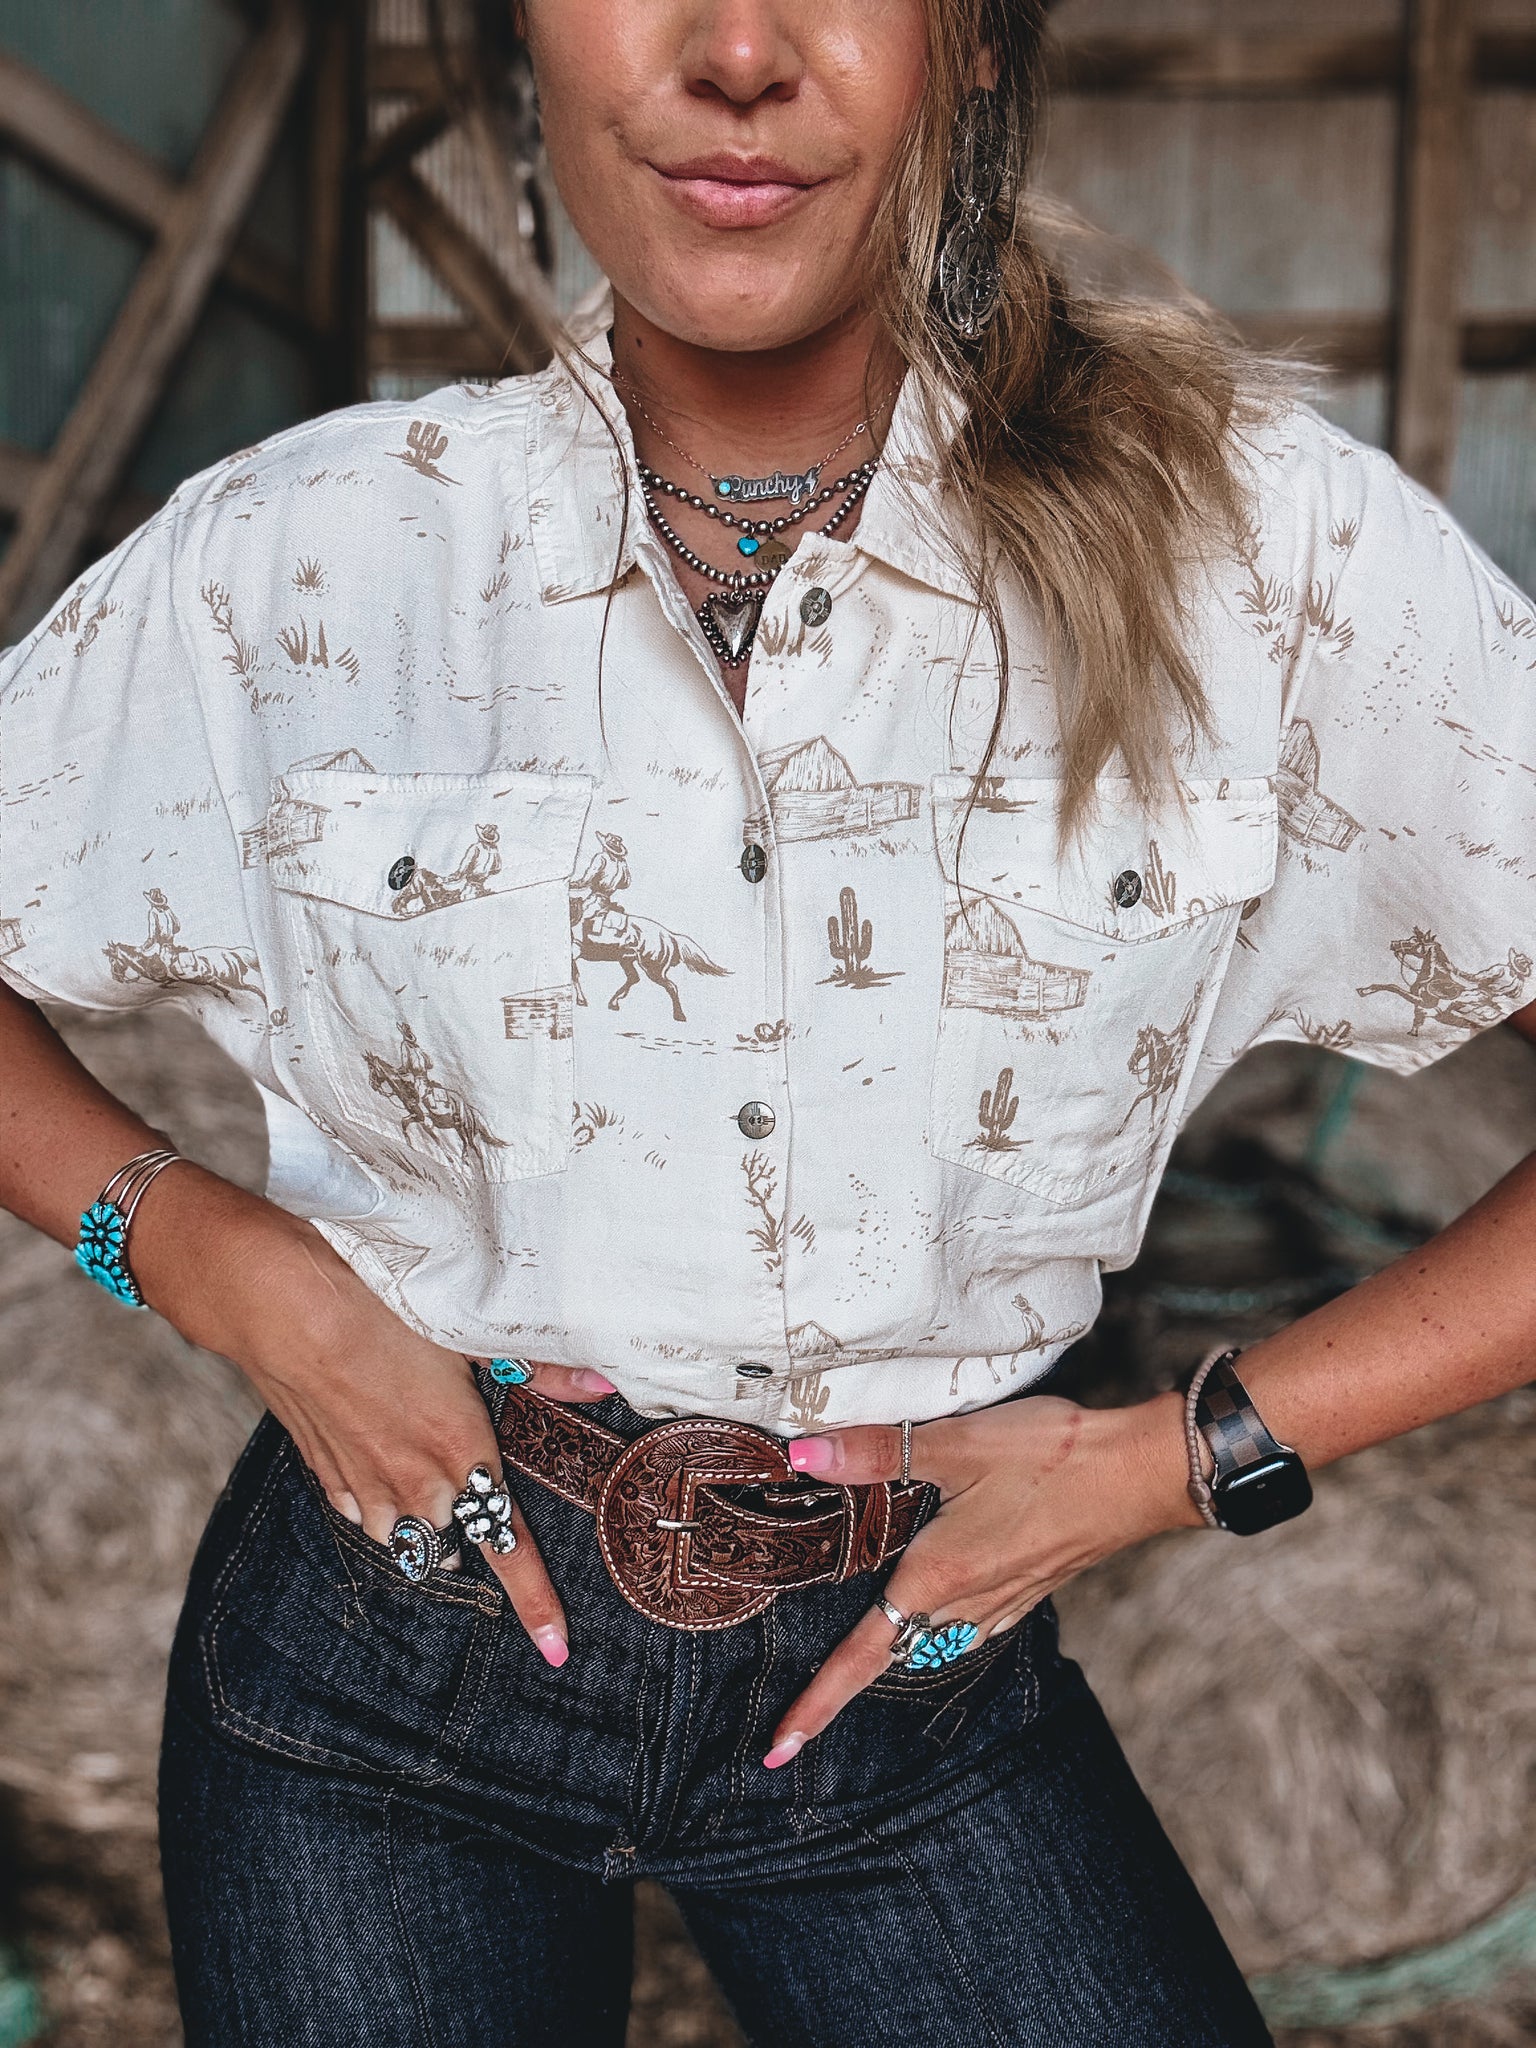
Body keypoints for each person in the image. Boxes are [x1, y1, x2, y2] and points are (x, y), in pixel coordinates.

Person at [2, 4, 1534, 2043]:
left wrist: (1192, 1454)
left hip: (918, 1693)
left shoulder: (1265, 554)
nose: (738, 48)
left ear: (967, 42)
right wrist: (208, 1256)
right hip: (380, 1666)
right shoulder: (305, 558)